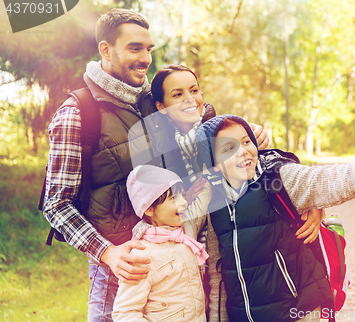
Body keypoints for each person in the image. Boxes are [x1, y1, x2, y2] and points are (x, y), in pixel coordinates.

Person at [41, 9, 271, 321]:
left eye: (148, 49)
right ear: (105, 50)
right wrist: (109, 254)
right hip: (121, 274)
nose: (146, 58)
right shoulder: (78, 114)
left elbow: (211, 131)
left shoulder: (156, 99)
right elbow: (56, 205)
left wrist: (252, 134)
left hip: (181, 263)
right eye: (134, 48)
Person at [194, 101, 355, 321]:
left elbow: (341, 180)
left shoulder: (279, 179)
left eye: (246, 141)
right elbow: (218, 279)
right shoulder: (215, 205)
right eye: (229, 148)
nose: (243, 152)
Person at [147, 64, 324, 321]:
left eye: (194, 90)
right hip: (190, 263)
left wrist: (311, 203)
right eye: (177, 94)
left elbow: (272, 170)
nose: (189, 99)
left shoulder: (224, 129)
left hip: (233, 256)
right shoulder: (158, 154)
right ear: (161, 108)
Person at [112, 165, 210, 322]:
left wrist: (211, 175)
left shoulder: (186, 233)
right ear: (150, 209)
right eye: (174, 198)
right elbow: (124, 312)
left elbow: (202, 203)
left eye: (183, 195)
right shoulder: (142, 254)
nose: (184, 202)